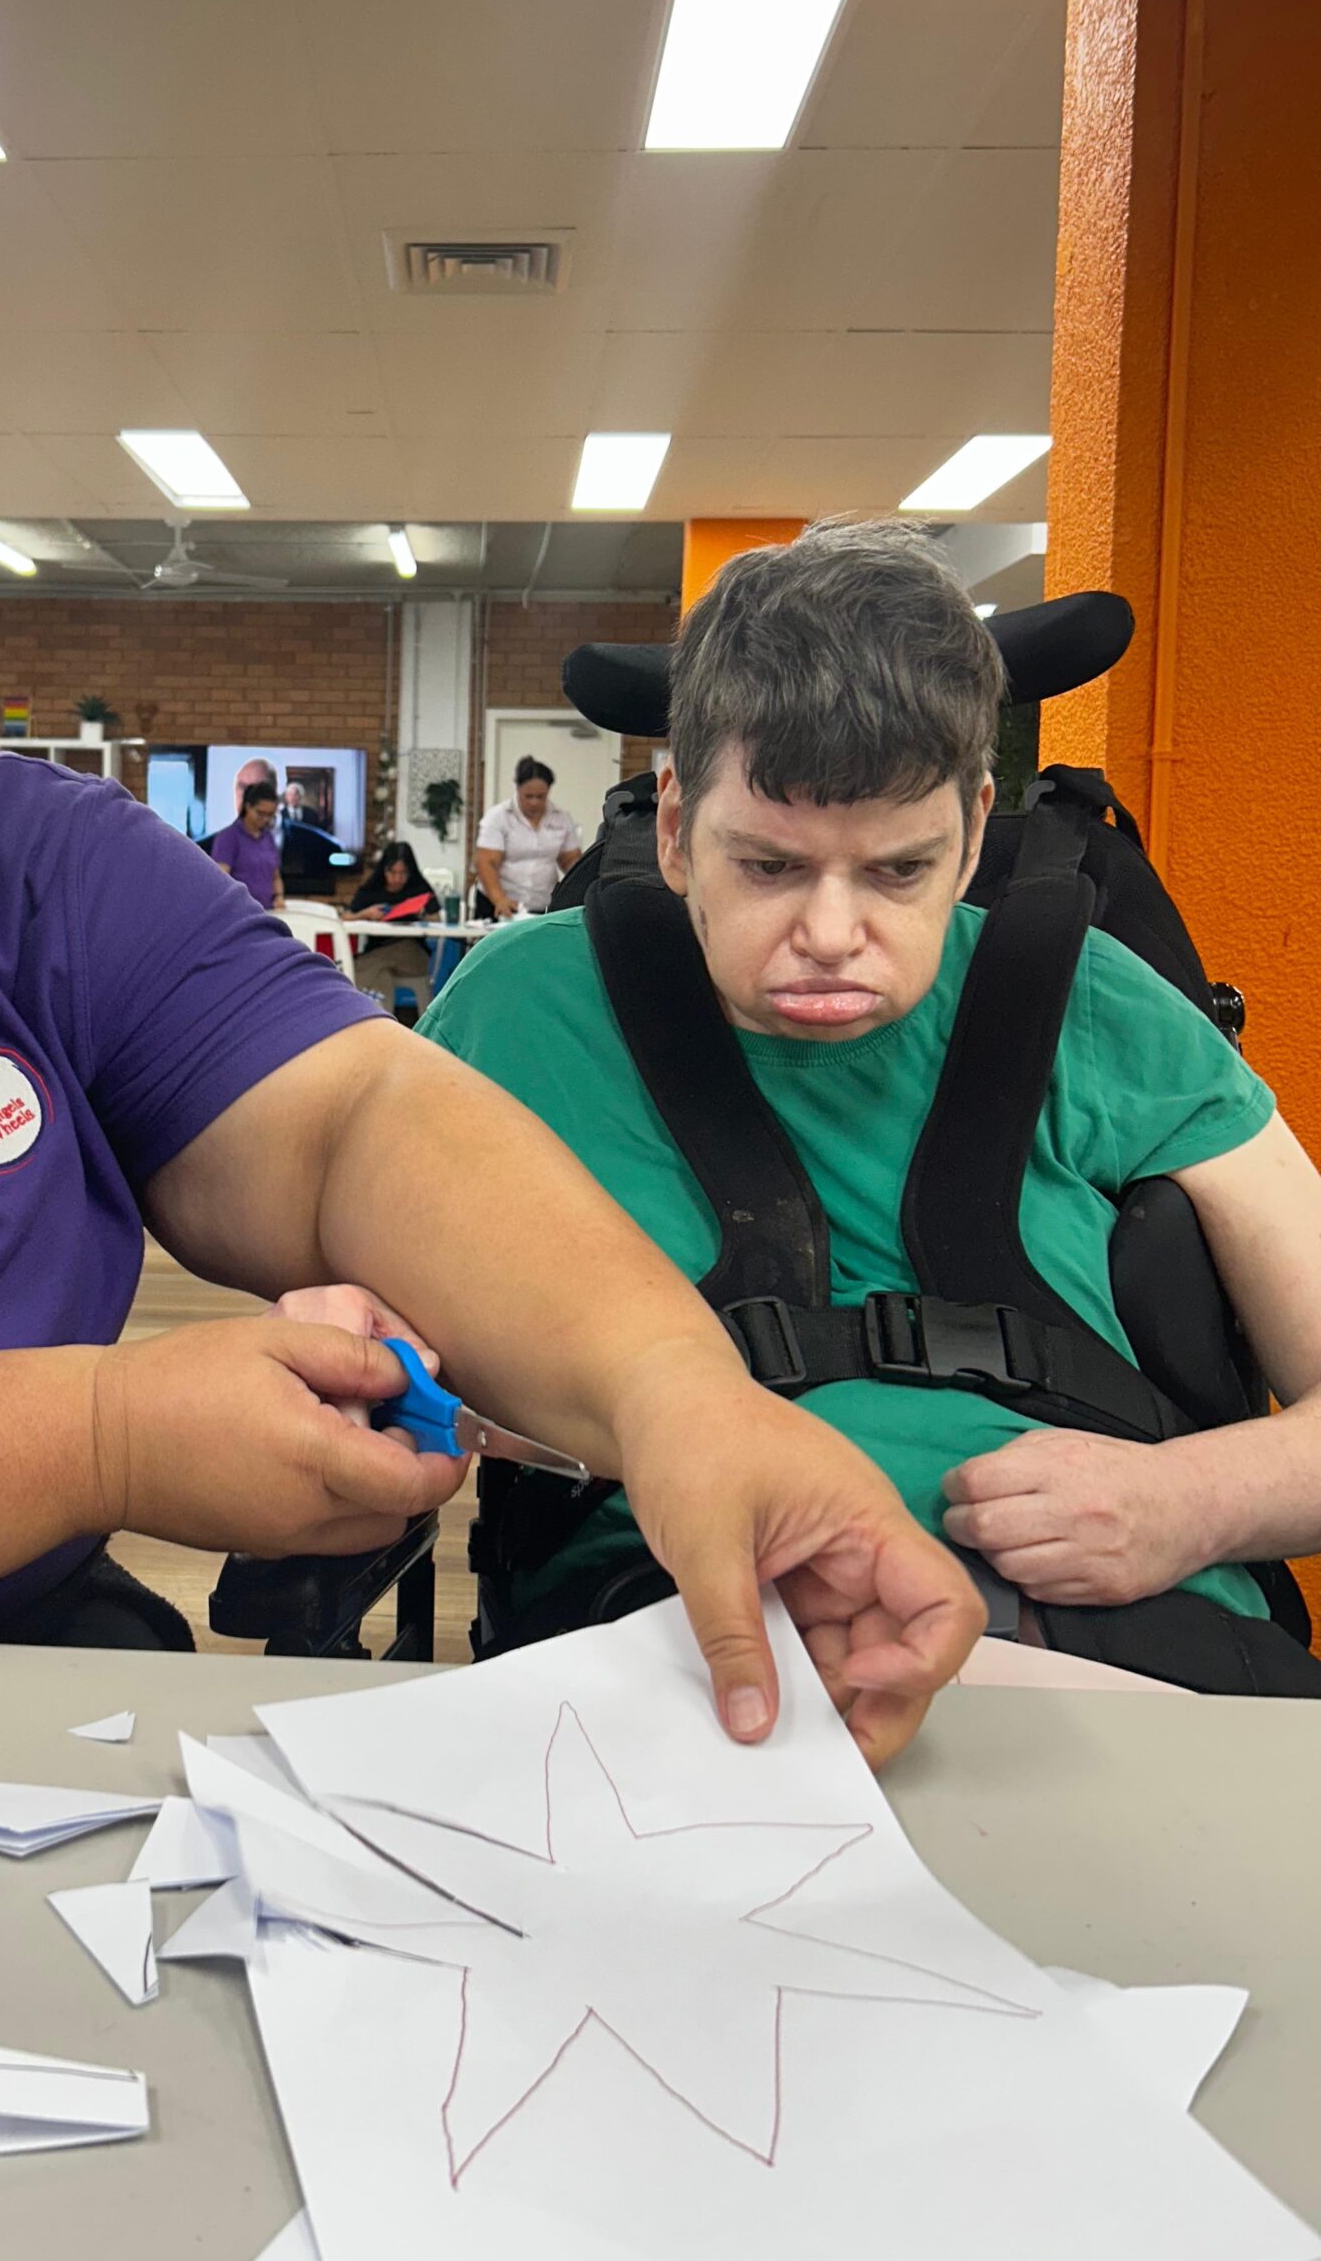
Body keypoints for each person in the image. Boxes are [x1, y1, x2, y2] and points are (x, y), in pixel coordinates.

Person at [0, 172, 984, 1761]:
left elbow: (351, 1121)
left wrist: (677, 1397)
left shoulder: (24, 856)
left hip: (2, 1705)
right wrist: (103, 1437)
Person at [421, 520, 1321, 1693]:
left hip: (1131, 1636)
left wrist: (1190, 1503)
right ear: (682, 830)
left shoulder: (1095, 1006)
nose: (833, 934)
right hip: (675, 1643)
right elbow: (363, 1337)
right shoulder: (524, 1010)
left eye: (899, 869)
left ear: (971, 832)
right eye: (771, 866)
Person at [475, 756, 582, 918]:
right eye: (528, 796)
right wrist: (500, 899)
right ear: (517, 789)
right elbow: (486, 862)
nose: (534, 802)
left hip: (542, 905)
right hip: (500, 904)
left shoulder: (561, 818)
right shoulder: (498, 817)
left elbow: (571, 861)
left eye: (540, 797)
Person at [346, 841, 439, 1015]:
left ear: (410, 872)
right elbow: (346, 917)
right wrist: (365, 914)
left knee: (358, 965)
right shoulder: (372, 890)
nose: (397, 878)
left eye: (403, 873)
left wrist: (422, 914)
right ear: (384, 870)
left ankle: (349, 992)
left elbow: (437, 918)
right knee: (382, 976)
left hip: (412, 953)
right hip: (378, 951)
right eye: (392, 872)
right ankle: (386, 1022)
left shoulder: (419, 888)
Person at [209, 777, 287, 910]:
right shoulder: (228, 837)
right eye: (261, 814)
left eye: (270, 815)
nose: (265, 819)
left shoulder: (268, 838)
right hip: (238, 914)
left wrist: (279, 897)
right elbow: (220, 881)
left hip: (266, 912)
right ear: (248, 806)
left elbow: (275, 877)